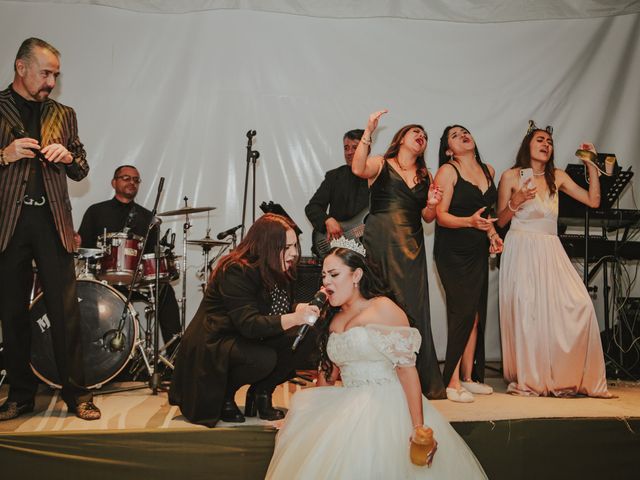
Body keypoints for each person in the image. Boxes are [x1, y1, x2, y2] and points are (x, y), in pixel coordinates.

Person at [266, 244, 487, 479]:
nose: (326, 283)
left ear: (357, 276)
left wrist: (418, 427)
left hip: (387, 405)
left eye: (334, 275)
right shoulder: (333, 318)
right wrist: (307, 418)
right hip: (348, 405)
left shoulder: (383, 308)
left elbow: (406, 370)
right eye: (323, 276)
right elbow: (328, 375)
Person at [0, 38, 100, 421]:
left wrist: (70, 156)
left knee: (65, 313)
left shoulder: (64, 113)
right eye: (45, 73)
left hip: (53, 222)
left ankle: (78, 394)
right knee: (12, 313)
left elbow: (82, 167)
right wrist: (4, 155)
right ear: (21, 67)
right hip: (10, 225)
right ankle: (21, 396)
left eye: (56, 75)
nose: (51, 82)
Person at [168, 213, 321, 427]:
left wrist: (298, 310)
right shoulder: (236, 270)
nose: (294, 253)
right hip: (217, 341)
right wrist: (295, 317)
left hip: (247, 335)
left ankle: (261, 392)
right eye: (286, 247)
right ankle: (224, 395)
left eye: (295, 246)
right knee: (262, 358)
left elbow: (275, 310)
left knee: (307, 336)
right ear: (267, 246)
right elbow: (249, 324)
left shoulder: (280, 269)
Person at [496, 122, 610, 397]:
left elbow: (593, 201)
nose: (546, 144)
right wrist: (517, 200)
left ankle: (565, 374)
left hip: (550, 249)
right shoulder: (511, 176)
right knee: (528, 313)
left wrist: (592, 168)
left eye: (549, 141)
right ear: (528, 145)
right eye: (540, 139)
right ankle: (532, 378)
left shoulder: (556, 176)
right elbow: (500, 220)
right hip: (521, 246)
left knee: (580, 305)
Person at [351, 109, 445, 399]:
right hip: (380, 237)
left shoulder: (426, 175)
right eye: (416, 132)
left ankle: (417, 378)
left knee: (412, 304)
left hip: (411, 243)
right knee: (381, 298)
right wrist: (368, 131)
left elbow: (428, 217)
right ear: (401, 138)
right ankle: (381, 373)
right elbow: (357, 169)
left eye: (425, 136)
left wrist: (430, 203)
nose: (422, 137)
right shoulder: (381, 163)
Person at [77, 164, 181, 351]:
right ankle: (99, 356)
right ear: (114, 182)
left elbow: (151, 255)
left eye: (136, 180)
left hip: (136, 280)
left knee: (165, 291)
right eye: (126, 178)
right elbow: (84, 248)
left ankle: (176, 356)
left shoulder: (148, 217)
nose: (131, 182)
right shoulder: (96, 211)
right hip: (103, 280)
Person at [433, 125, 502, 403]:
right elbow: (440, 216)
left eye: (465, 131)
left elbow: (487, 214)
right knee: (461, 313)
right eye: (454, 135)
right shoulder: (448, 171)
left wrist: (493, 235)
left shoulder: (489, 170)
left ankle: (468, 377)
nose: (463, 135)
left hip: (477, 249)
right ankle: (450, 382)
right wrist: (469, 222)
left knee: (474, 315)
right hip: (453, 252)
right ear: (449, 149)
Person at [305, 129, 369, 256]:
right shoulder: (334, 176)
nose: (349, 152)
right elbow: (312, 207)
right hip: (337, 251)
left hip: (369, 252)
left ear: (366, 149)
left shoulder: (378, 178)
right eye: (346, 148)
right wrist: (327, 220)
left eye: (355, 147)